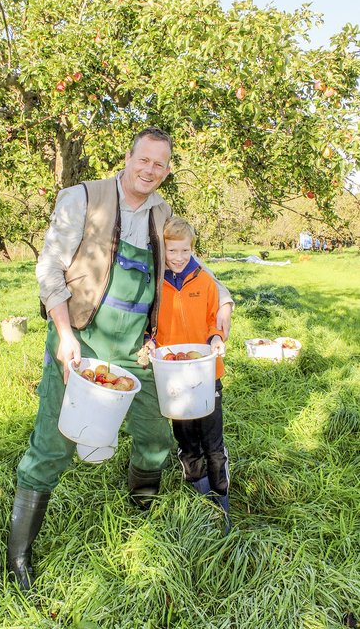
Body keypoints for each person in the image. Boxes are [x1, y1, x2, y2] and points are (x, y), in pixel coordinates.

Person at [6, 127, 234, 591]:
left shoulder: (161, 214)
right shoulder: (82, 198)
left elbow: (199, 273)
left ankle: (139, 518)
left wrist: (221, 315)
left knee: (155, 434)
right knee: (55, 442)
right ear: (127, 158)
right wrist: (65, 335)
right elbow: (48, 267)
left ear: (167, 171)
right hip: (81, 340)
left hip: (136, 350)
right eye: (143, 160)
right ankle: (20, 557)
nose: (150, 170)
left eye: (160, 164)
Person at [147, 217, 232, 532]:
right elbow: (152, 327)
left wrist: (216, 337)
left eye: (184, 250)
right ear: (163, 250)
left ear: (192, 250)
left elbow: (214, 320)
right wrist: (151, 343)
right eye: (172, 250)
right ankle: (199, 495)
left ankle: (220, 500)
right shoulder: (157, 284)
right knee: (186, 439)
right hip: (174, 375)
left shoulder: (205, 282)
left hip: (207, 373)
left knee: (212, 440)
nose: (178, 257)